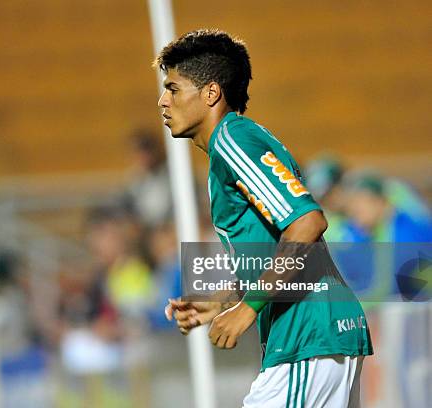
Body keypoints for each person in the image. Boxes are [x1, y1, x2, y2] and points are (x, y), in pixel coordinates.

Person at [156, 29, 373, 407]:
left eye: (173, 89)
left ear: (211, 92)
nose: (162, 101)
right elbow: (278, 247)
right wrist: (224, 302)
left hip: (306, 337)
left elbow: (307, 223)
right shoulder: (240, 141)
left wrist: (248, 308)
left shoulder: (231, 140)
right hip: (316, 335)